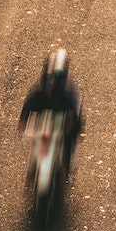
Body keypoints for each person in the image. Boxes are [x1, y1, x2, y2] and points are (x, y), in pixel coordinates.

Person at [19, 48, 83, 176]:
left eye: (55, 81)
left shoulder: (70, 95)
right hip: (47, 117)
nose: (50, 84)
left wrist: (70, 128)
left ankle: (70, 156)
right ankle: (34, 163)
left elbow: (74, 117)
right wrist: (24, 122)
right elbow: (27, 108)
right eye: (48, 80)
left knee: (70, 137)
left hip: (64, 116)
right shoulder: (38, 92)